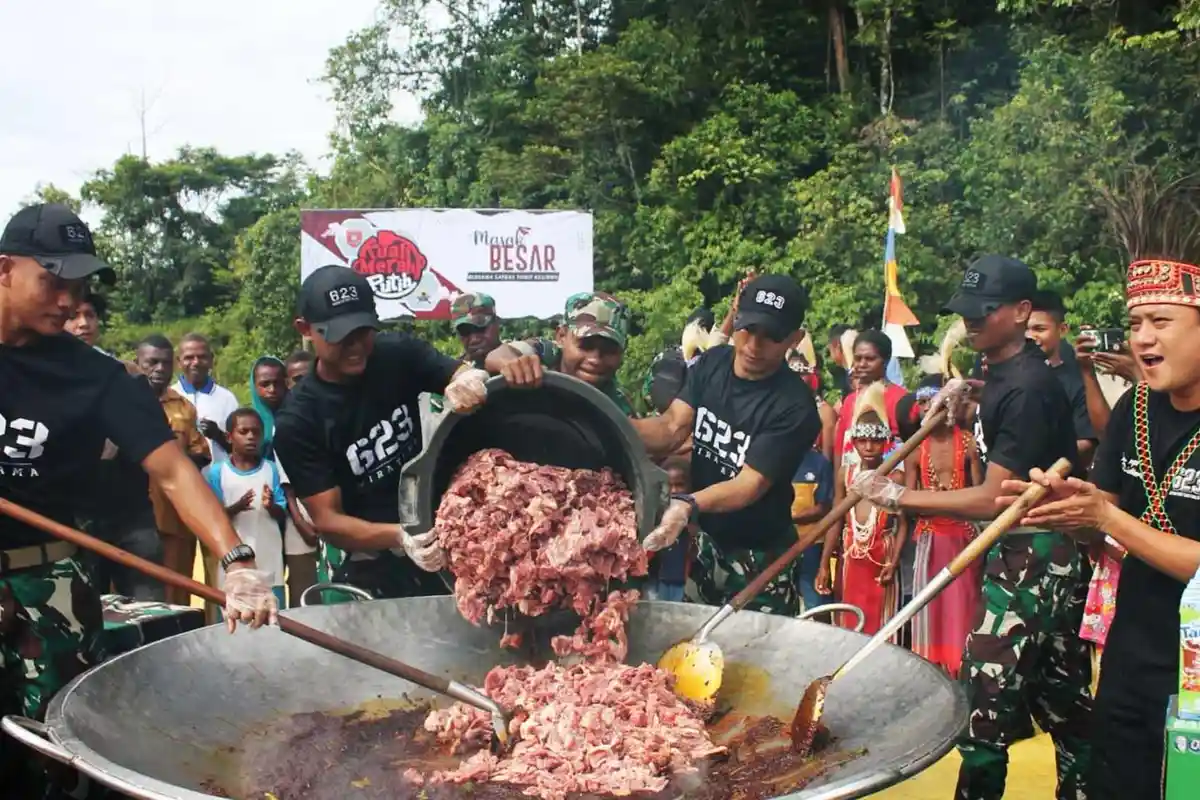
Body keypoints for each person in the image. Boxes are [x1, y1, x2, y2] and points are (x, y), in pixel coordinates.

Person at [0, 203, 276, 795]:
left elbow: (174, 471)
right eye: (52, 280)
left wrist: (236, 562)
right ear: (4, 269)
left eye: (78, 285)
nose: (69, 300)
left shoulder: (97, 376)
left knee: (57, 753)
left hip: (48, 585)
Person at [851, 254, 1090, 800]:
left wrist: (897, 495)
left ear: (1021, 311)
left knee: (984, 702)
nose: (973, 321)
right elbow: (1000, 404)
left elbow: (992, 497)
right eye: (969, 311)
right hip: (1023, 552)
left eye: (986, 311)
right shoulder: (1001, 374)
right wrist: (968, 393)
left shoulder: (1029, 386)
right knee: (1063, 698)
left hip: (1034, 553)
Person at [1002, 186, 1200, 799]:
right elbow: (1108, 511)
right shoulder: (1135, 407)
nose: (1141, 338)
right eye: (1136, 321)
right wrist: (1067, 507)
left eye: (1161, 321)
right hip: (1131, 655)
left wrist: (1104, 517)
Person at [272, 266, 489, 599]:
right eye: (341, 336)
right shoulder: (299, 420)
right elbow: (328, 520)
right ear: (306, 329)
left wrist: (465, 380)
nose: (356, 346)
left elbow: (455, 371)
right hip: (371, 553)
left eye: (364, 331)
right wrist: (400, 536)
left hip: (438, 522)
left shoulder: (395, 355)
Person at [629, 274, 821, 616]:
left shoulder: (795, 407)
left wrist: (687, 503)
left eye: (771, 337)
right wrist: (613, 426)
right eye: (747, 329)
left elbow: (749, 485)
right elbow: (672, 427)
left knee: (754, 655)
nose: (753, 346)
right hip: (707, 542)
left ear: (795, 338)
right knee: (690, 643)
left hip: (761, 557)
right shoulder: (713, 363)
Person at [61, 298, 167, 603]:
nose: (83, 323)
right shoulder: (44, 379)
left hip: (132, 512)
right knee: (89, 607)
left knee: (149, 606)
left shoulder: (126, 375)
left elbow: (154, 438)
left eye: (90, 315)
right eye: (74, 316)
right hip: (77, 517)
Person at [905, 375, 984, 678]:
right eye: (924, 403)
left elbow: (981, 494)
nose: (931, 409)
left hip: (963, 538)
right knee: (930, 609)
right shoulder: (915, 449)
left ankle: (963, 671)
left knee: (963, 609)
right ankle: (929, 675)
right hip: (929, 538)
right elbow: (908, 502)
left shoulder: (968, 442)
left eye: (935, 401)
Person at [817, 385, 902, 635]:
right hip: (851, 560)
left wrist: (894, 561)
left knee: (882, 627)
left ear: (885, 442)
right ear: (853, 442)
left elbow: (905, 523)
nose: (868, 447)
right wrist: (824, 563)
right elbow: (836, 519)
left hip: (882, 559)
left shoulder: (894, 477)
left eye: (875, 441)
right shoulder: (846, 474)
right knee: (849, 624)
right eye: (862, 441)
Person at [135, 334, 213, 607]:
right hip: (130, 517)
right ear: (137, 363)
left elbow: (202, 454)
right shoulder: (121, 403)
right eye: (151, 363)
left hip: (175, 514)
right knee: (132, 592)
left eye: (165, 363)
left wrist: (173, 461)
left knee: (176, 590)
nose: (159, 369)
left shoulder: (183, 408)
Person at [485, 291, 635, 415]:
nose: (595, 359)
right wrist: (515, 367)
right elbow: (498, 355)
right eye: (586, 345)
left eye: (609, 350)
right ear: (561, 336)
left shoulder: (618, 404)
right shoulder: (544, 352)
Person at [203, 409, 288, 613]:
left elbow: (281, 513)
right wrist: (237, 507)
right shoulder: (217, 473)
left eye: (256, 432)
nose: (251, 437)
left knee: (272, 614)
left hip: (268, 557)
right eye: (244, 431)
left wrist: (271, 506)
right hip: (233, 562)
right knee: (234, 616)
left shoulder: (271, 470)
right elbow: (213, 516)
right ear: (229, 437)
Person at [250, 356, 319, 606]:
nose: (271, 390)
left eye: (277, 383)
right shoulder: (253, 419)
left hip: (301, 509)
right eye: (264, 384)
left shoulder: (297, 415)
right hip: (269, 512)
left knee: (304, 579)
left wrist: (299, 518)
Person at [1028, 290, 1098, 464]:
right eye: (1025, 329)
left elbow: (1087, 443)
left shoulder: (1077, 383)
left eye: (1039, 329)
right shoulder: (1009, 376)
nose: (1030, 336)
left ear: (1062, 329)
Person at [174, 332, 240, 463]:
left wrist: (218, 436)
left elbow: (240, 448)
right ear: (178, 362)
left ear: (211, 360)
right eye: (189, 357)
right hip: (180, 480)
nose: (196, 362)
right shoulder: (170, 396)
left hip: (219, 480)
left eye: (202, 357)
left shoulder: (227, 399)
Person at [792, 442, 835, 616]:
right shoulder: (775, 459)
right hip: (779, 543)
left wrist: (789, 518)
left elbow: (823, 508)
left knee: (815, 603)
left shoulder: (819, 463)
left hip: (811, 542)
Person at [645, 457, 694, 602]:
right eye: (669, 485)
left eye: (680, 485)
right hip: (652, 579)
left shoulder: (692, 520)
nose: (674, 491)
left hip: (680, 581)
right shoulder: (652, 516)